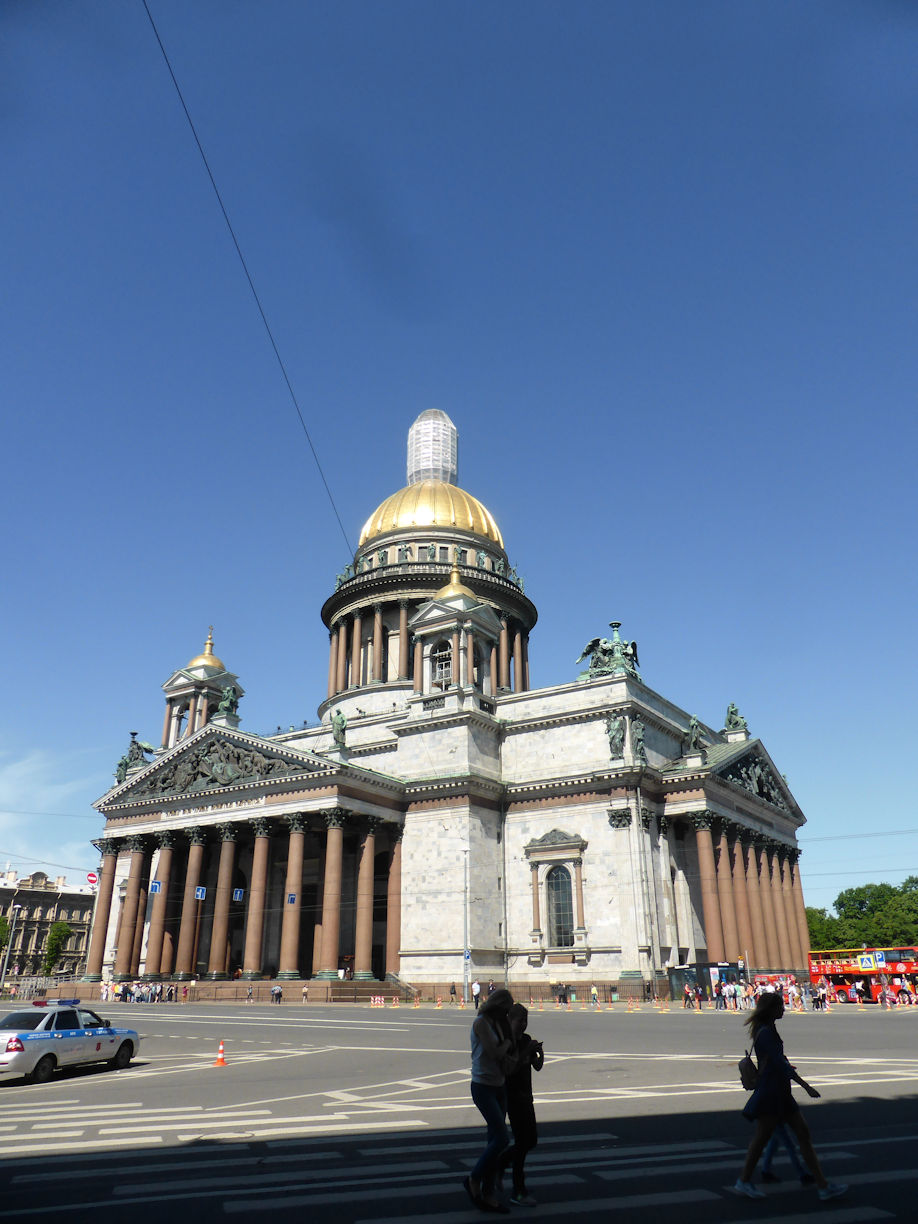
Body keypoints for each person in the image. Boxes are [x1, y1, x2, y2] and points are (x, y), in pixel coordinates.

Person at [734, 991, 847, 1201]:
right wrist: (806, 1086)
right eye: (781, 1007)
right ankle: (744, 1180)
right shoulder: (766, 1032)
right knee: (763, 1138)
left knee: (801, 1134)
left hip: (779, 1091)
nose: (784, 1009)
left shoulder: (766, 1029)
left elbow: (778, 1060)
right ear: (772, 1010)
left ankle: (822, 1185)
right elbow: (779, 1064)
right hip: (772, 1091)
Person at [463, 988, 514, 1214]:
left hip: (499, 1085)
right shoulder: (482, 1022)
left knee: (493, 1141)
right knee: (502, 1138)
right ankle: (473, 1178)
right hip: (482, 1086)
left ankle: (489, 1193)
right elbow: (494, 1053)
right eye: (505, 1009)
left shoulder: (495, 1023)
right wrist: (508, 1044)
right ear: (498, 1006)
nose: (507, 1014)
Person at [497, 1003, 544, 1206]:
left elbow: (537, 1066)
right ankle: (518, 1189)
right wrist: (526, 1052)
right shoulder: (507, 1042)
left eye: (526, 1020)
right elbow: (510, 1069)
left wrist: (540, 1053)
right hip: (513, 1098)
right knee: (524, 1142)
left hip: (527, 1096)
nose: (523, 1024)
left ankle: (502, 1163)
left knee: (530, 1140)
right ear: (510, 1020)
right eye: (520, 1020)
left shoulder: (525, 1040)